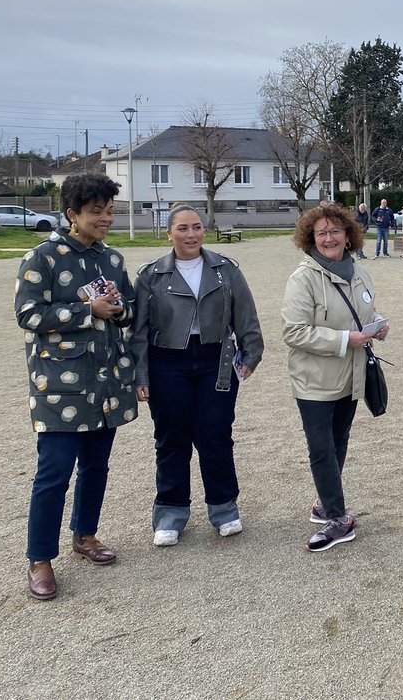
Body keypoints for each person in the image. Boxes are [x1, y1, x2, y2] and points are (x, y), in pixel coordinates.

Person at [16, 173, 138, 601]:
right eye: (96, 212)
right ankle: (40, 558)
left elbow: (129, 310)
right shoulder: (42, 258)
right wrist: (88, 310)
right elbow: (28, 314)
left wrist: (119, 311)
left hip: (106, 382)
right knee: (53, 473)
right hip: (60, 387)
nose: (105, 219)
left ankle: (85, 535)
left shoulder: (114, 260)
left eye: (109, 211)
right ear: (72, 215)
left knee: (96, 467)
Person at [131, 205, 264, 548]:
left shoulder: (225, 270)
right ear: (169, 232)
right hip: (167, 363)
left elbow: (246, 316)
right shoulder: (151, 276)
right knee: (171, 439)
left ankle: (223, 507)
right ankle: (170, 512)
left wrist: (250, 355)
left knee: (215, 435)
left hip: (215, 361)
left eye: (197, 228)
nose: (191, 235)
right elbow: (139, 331)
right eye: (183, 228)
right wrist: (140, 374)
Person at [282, 204, 390, 552]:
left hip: (351, 374)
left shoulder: (358, 271)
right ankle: (337, 518)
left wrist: (378, 325)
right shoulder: (304, 277)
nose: (329, 238)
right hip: (314, 379)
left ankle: (324, 503)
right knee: (321, 449)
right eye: (321, 233)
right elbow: (294, 332)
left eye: (335, 231)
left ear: (348, 234)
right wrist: (345, 340)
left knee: (339, 440)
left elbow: (365, 311)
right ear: (310, 239)